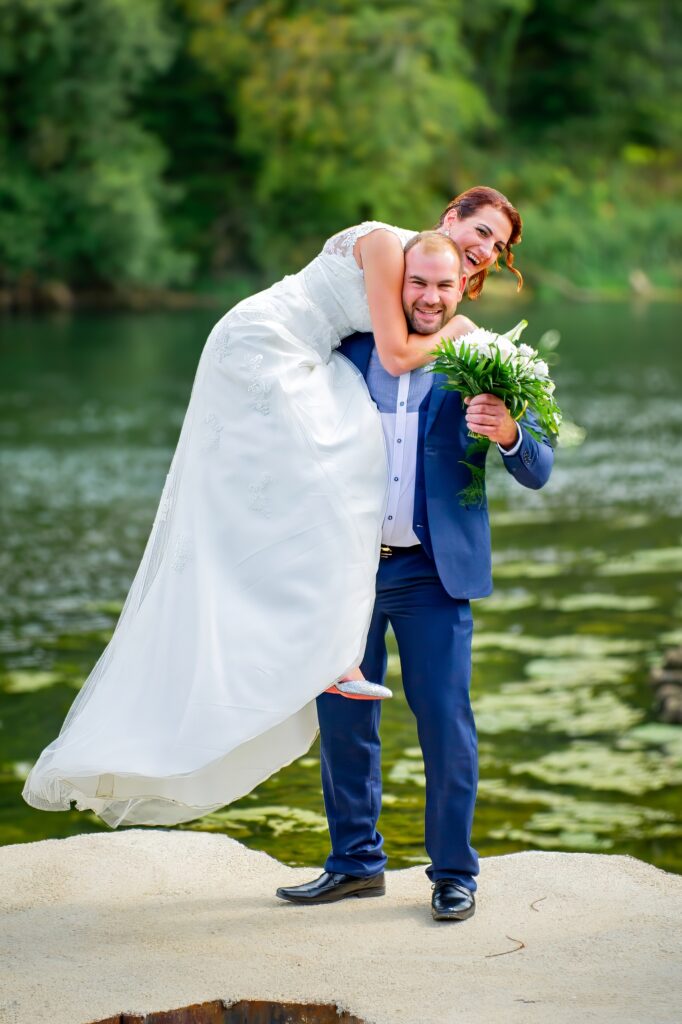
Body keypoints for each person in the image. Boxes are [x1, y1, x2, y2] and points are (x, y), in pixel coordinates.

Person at [22, 187, 523, 832]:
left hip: (338, 412)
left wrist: (503, 414)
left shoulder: (419, 285)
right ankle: (351, 833)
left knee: (316, 475)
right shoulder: (383, 247)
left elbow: (513, 441)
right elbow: (397, 356)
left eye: (496, 245)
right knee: (335, 460)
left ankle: (444, 858)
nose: (484, 248)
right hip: (265, 344)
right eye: (479, 229)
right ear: (450, 215)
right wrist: (460, 332)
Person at [275, 231, 554, 920]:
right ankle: (355, 865)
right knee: (345, 724)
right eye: (417, 285)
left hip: (433, 576)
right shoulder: (348, 353)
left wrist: (509, 431)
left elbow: (540, 468)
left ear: (463, 293)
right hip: (348, 573)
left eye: (443, 287)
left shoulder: (487, 360)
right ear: (397, 287)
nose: (429, 297)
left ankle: (454, 874)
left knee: (445, 726)